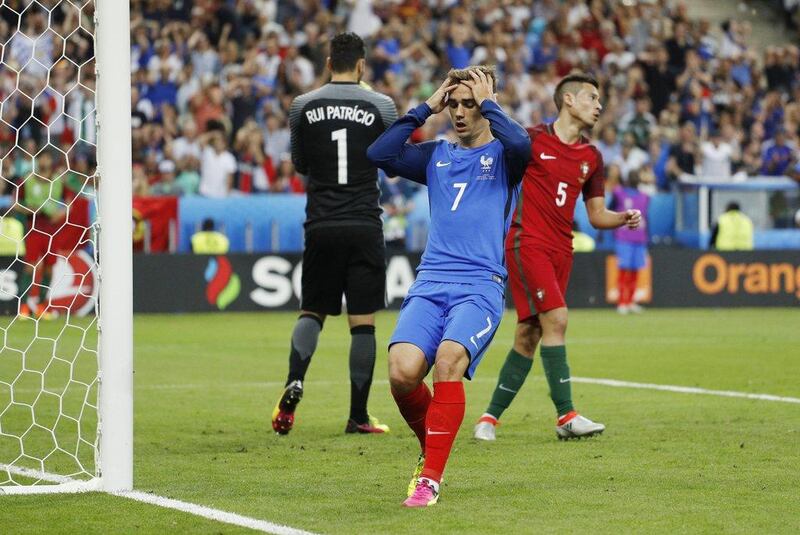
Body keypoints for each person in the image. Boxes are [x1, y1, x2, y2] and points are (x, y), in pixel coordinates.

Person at [367, 66, 531, 507]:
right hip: (430, 282)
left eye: (468, 104)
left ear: (486, 104)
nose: (459, 112)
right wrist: (427, 106)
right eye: (453, 104)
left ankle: (430, 479)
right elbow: (379, 154)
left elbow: (521, 143)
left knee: (447, 359)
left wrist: (490, 101)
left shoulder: (504, 157)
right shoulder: (435, 156)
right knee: (402, 372)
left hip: (480, 285)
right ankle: (431, 444)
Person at [473, 73, 641, 443]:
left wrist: (622, 218)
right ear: (568, 100)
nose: (599, 105)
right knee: (558, 319)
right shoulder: (531, 140)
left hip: (562, 249)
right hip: (526, 242)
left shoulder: (591, 157)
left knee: (529, 334)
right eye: (592, 98)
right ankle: (566, 415)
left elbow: (596, 215)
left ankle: (489, 418)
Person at [271, 32, 398, 436]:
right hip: (364, 222)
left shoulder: (302, 106)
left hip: (321, 223)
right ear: (361, 65)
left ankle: (295, 379)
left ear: (328, 62)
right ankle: (358, 416)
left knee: (313, 310)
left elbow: (301, 163)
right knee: (363, 323)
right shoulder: (382, 105)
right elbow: (391, 158)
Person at [611, 170, 650, 314]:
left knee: (635, 270)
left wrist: (647, 236)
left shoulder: (645, 197)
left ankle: (631, 301)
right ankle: (622, 302)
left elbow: (646, 217)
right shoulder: (619, 194)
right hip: (624, 237)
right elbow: (611, 210)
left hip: (639, 237)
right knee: (623, 270)